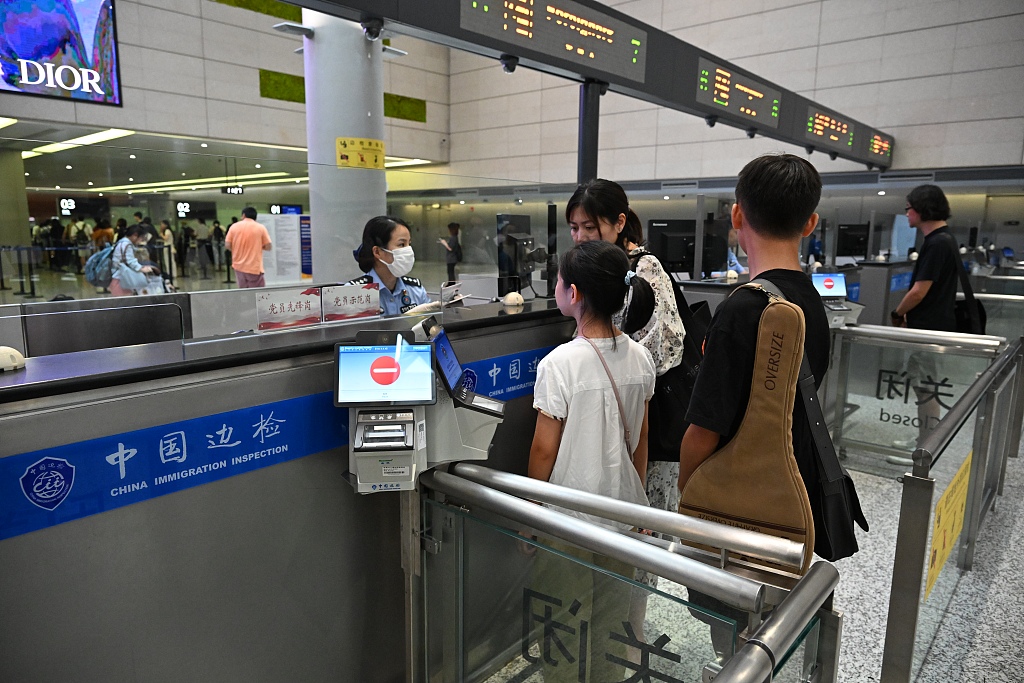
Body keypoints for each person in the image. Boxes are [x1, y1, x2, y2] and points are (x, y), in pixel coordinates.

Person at [678, 154, 828, 652]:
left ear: (737, 216)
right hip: (790, 492)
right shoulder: (812, 301)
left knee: (735, 638)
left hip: (736, 511)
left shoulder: (744, 309)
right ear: (810, 223)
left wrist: (690, 501)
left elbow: (704, 430)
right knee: (769, 633)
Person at [527, 239, 656, 683]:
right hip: (621, 517)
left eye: (561, 281)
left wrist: (530, 514)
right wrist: (637, 503)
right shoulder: (641, 358)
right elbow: (641, 439)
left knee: (563, 623)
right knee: (611, 626)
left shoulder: (559, 364)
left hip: (568, 520)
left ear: (574, 293)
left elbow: (544, 449)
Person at [566, 179, 686, 534]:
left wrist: (608, 365)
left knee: (641, 524)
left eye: (590, 226)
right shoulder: (592, 266)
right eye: (574, 227)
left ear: (619, 223)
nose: (581, 236)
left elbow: (665, 347)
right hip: (614, 415)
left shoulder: (643, 269)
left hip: (646, 415)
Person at [890, 184, 960, 443]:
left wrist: (897, 313)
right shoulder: (946, 239)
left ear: (921, 209)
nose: (907, 214)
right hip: (936, 325)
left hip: (928, 329)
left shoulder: (936, 243)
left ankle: (925, 445)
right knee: (927, 388)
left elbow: (919, 291)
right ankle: (926, 437)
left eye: (908, 208)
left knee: (926, 388)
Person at [346, 216, 428, 316]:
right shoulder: (353, 294)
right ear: (377, 252)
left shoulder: (415, 290)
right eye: (401, 244)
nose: (409, 250)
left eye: (409, 244)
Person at [224, 207, 272, 288]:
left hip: (238, 266)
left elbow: (227, 245)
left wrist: (236, 249)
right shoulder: (260, 227)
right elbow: (268, 246)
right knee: (257, 294)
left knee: (243, 292)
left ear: (243, 215)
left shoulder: (233, 227)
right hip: (254, 267)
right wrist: (259, 247)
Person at [109, 225, 156, 297]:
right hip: (122, 280)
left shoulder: (122, 243)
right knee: (124, 303)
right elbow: (130, 261)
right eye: (141, 238)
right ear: (135, 235)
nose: (141, 241)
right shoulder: (126, 245)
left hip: (118, 278)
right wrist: (141, 268)